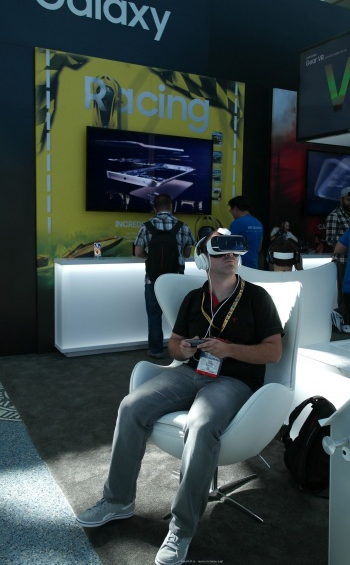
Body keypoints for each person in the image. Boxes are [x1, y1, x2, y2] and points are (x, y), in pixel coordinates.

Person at [76, 230, 284, 565]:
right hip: (190, 372)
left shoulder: (257, 298)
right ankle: (117, 500)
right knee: (131, 406)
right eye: (221, 251)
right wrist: (183, 348)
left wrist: (229, 349)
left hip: (234, 381)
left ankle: (181, 529)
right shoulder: (193, 298)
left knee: (200, 424)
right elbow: (173, 344)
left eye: (234, 252)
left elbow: (274, 352)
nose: (230, 256)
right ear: (204, 259)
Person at [134, 194, 196, 359]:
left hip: (152, 279)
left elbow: (138, 252)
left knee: (154, 315)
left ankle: (156, 350)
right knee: (181, 315)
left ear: (155, 208)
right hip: (177, 279)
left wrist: (150, 257)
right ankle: (184, 350)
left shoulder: (146, 226)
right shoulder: (183, 226)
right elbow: (187, 253)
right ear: (171, 207)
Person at [325, 187, 350, 333]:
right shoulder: (334, 216)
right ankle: (343, 319)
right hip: (342, 261)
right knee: (344, 291)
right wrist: (349, 242)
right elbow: (330, 239)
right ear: (341, 200)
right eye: (348, 200)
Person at [228, 196, 263, 269]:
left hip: (240, 266)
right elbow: (259, 247)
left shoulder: (237, 223)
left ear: (236, 209)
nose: (231, 213)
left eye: (231, 210)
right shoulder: (258, 223)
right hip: (254, 266)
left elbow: (229, 246)